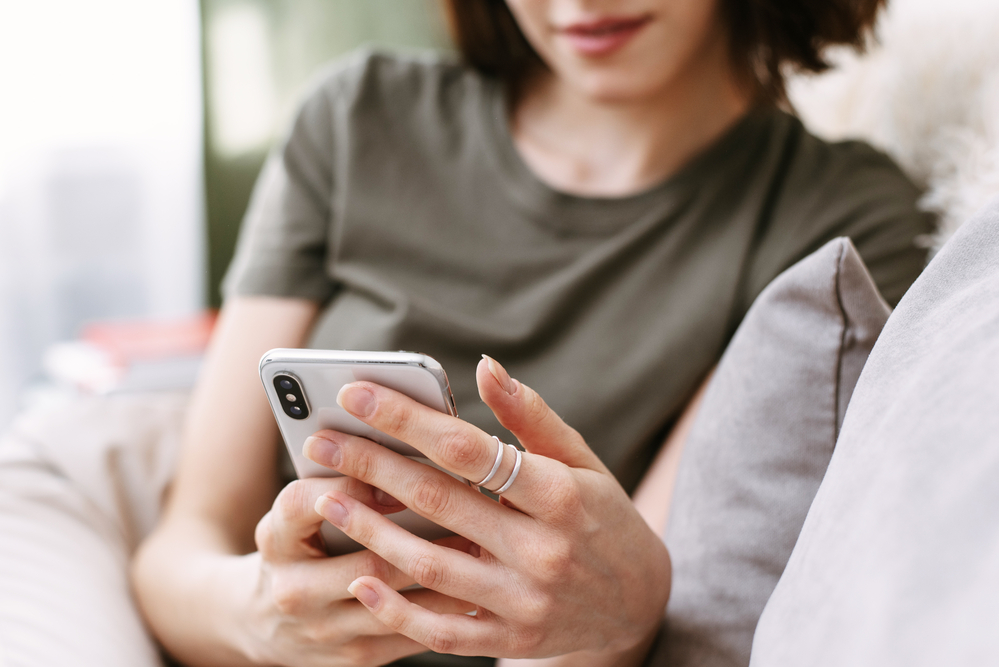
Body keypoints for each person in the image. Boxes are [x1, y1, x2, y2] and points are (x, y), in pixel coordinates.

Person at [132, 0, 932, 665]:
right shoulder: (356, 119)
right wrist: (263, 615)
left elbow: (638, 597)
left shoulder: (835, 219)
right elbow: (180, 547)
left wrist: (616, 612)